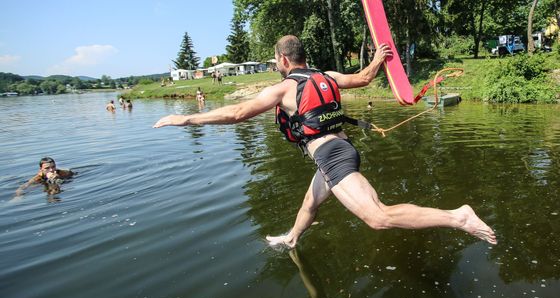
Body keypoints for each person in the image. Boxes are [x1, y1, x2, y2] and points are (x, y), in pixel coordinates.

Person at [153, 35, 497, 247]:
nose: (276, 64)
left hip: (332, 157)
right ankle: (292, 238)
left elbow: (238, 112)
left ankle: (459, 217)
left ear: (284, 60)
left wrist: (186, 118)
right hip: (338, 151)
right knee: (310, 203)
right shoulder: (327, 75)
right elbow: (362, 79)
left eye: (276, 60)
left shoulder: (285, 87)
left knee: (378, 217)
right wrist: (377, 60)